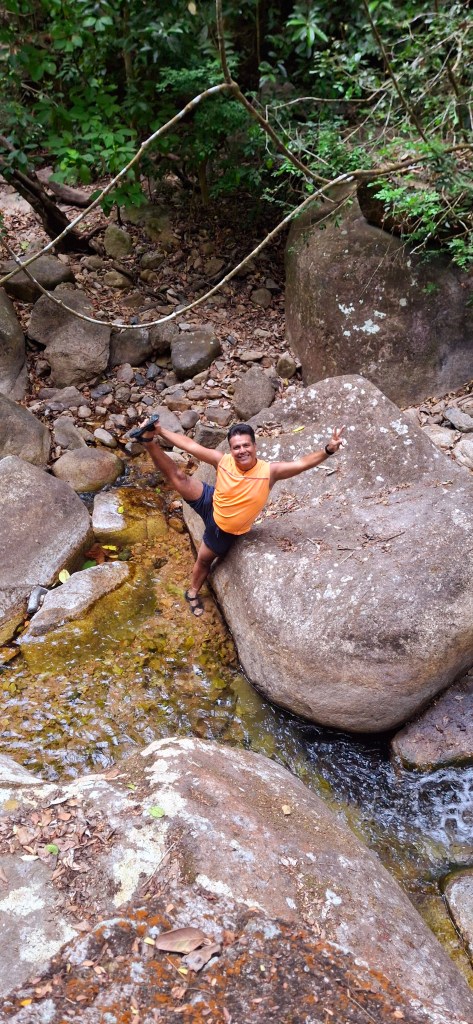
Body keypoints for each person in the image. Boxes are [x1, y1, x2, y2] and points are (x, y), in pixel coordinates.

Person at [140, 418, 345, 616]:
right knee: (178, 477)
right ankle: (148, 441)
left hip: (222, 529)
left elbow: (301, 464)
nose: (242, 451)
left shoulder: (269, 472)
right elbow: (190, 445)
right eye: (236, 447)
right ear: (231, 450)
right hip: (211, 501)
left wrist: (328, 450)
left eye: (246, 445)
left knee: (203, 561)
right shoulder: (222, 461)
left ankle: (191, 592)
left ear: (255, 446)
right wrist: (160, 431)